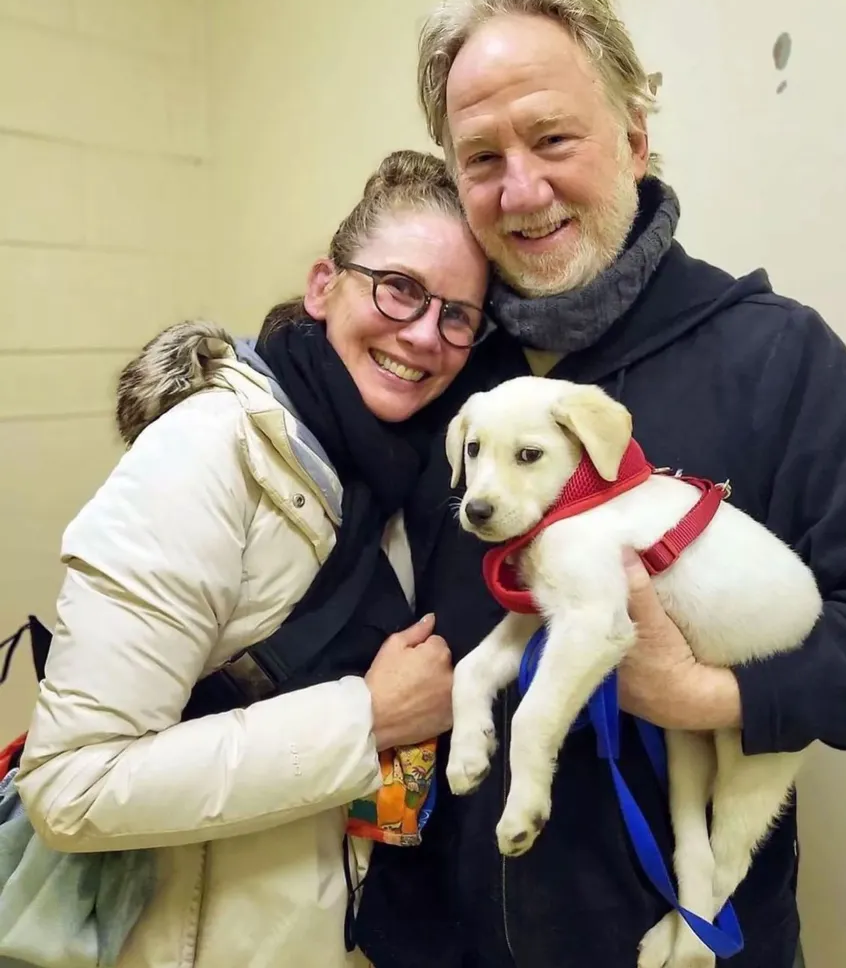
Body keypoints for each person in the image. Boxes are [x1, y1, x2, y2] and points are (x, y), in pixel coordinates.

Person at [352, 0, 846, 968]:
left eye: (551, 139)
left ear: (632, 135)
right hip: (444, 937)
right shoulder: (441, 371)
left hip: (675, 939)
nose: (521, 189)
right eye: (481, 157)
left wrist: (702, 695)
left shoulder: (770, 357)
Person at [12, 149, 491, 968]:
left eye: (457, 315)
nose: (424, 334)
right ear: (322, 287)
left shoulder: (413, 476)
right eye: (400, 287)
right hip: (179, 934)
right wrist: (365, 718)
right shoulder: (206, 449)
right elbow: (72, 787)